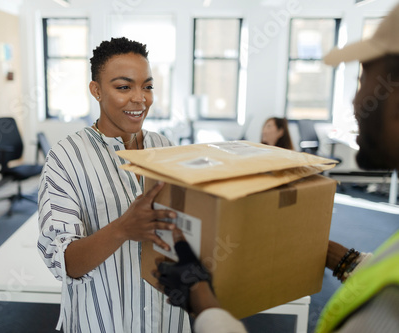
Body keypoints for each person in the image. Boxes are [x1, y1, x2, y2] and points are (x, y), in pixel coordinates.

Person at [155, 4, 399, 333]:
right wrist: (336, 256)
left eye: (362, 80)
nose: (357, 102)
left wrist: (199, 295)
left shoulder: (388, 309)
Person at [37, 37, 191, 332]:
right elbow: (65, 263)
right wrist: (122, 228)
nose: (140, 98)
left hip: (166, 318)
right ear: (96, 90)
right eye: (124, 87)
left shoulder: (165, 149)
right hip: (103, 320)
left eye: (147, 86)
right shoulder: (66, 157)